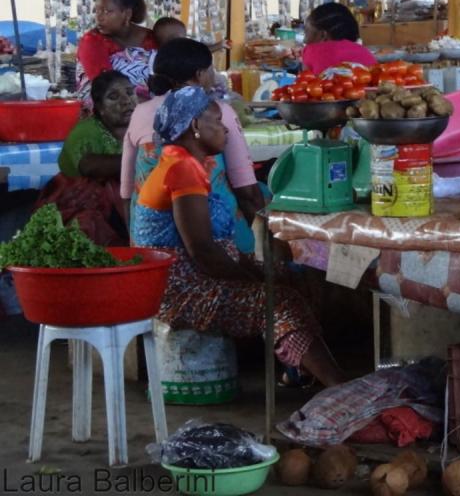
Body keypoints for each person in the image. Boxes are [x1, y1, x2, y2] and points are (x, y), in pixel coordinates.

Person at [136, 86, 345, 387]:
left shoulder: (184, 161)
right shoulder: (181, 168)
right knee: (279, 299)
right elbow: (203, 251)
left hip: (198, 275)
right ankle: (338, 387)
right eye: (217, 121)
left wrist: (262, 274)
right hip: (181, 289)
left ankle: (300, 370)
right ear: (195, 126)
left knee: (293, 275)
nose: (225, 129)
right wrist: (258, 281)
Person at [121, 38, 263, 243]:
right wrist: (268, 247)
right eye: (210, 69)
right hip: (212, 240)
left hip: (151, 244)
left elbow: (127, 192)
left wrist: (136, 245)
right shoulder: (216, 112)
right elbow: (246, 190)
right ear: (200, 74)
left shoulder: (141, 112)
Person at [36, 72, 136, 246]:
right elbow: (89, 167)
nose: (126, 100)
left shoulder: (141, 125)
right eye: (113, 97)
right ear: (100, 107)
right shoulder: (86, 131)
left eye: (129, 92)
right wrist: (143, 159)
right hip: (77, 202)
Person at [76, 0, 157, 106]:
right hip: (108, 112)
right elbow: (105, 84)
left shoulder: (152, 39)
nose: (99, 17)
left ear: (127, 14)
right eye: (97, 11)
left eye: (107, 11)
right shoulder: (91, 41)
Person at [301, 2, 377, 74]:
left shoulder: (311, 51)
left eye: (306, 32)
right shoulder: (365, 53)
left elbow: (304, 81)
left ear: (323, 35)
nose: (304, 41)